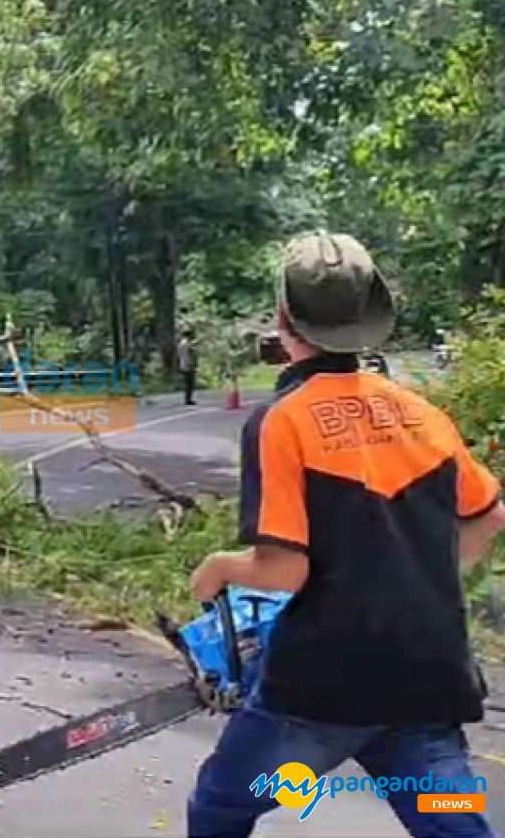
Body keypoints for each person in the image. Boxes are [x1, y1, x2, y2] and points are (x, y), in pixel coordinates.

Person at [186, 232, 505, 837]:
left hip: (319, 700)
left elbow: (283, 571)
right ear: (370, 317)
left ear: (283, 319)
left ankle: (303, 779)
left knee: (225, 802)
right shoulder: (424, 415)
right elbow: (490, 516)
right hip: (426, 680)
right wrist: (422, 584)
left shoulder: (282, 423)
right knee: (451, 823)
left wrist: (221, 567)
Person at [177, 327, 198, 405]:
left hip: (182, 364)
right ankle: (188, 399)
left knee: (187, 383)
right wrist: (191, 364)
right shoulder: (186, 344)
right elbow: (188, 354)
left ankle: (187, 398)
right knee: (190, 383)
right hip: (188, 365)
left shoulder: (181, 343)